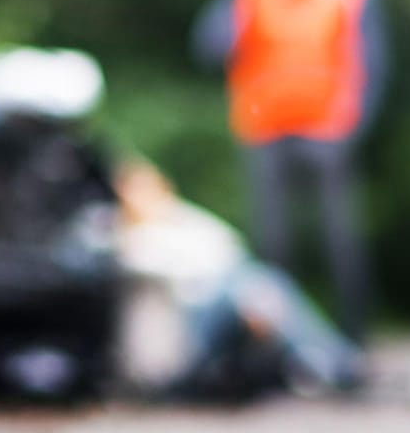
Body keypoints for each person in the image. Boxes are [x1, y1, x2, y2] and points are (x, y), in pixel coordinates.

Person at [191, 0, 388, 342]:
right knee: (273, 244)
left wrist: (355, 122)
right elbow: (210, 46)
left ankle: (354, 341)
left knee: (341, 239)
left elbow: (373, 57)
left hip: (328, 127)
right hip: (265, 127)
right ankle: (283, 344)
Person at [113, 160, 363, 400]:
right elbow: (179, 269)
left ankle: (320, 361)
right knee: (257, 284)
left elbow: (229, 246)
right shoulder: (124, 236)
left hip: (225, 301)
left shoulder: (183, 219)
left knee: (259, 283)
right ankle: (329, 361)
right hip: (193, 323)